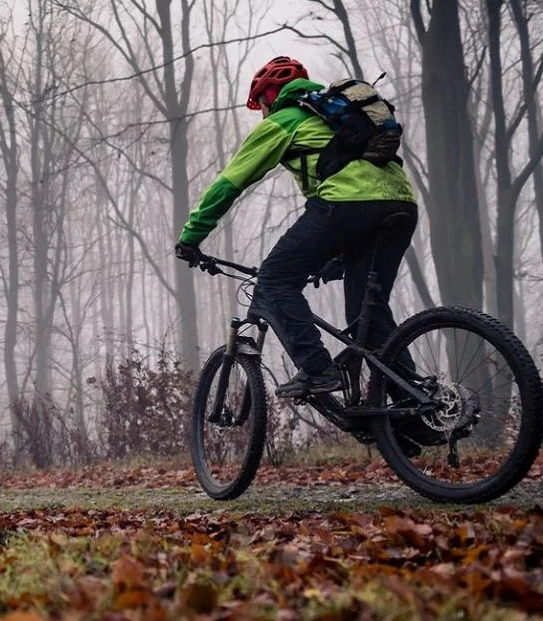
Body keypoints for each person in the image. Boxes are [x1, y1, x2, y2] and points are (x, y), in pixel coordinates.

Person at [174, 56, 419, 399]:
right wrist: (337, 254)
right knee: (368, 311)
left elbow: (229, 183)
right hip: (402, 204)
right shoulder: (337, 119)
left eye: (260, 103)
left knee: (274, 280)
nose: (261, 112)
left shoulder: (284, 120)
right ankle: (415, 412)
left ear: (270, 94)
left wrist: (191, 236)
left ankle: (318, 370)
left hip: (346, 204)